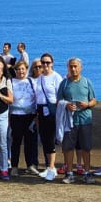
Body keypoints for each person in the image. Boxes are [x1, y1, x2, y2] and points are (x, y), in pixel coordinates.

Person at [58, 58, 98, 183]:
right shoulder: (64, 83)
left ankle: (86, 172)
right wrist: (67, 105)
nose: (73, 69)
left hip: (85, 120)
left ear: (81, 67)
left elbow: (94, 100)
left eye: (75, 66)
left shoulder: (87, 82)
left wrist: (87, 104)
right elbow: (58, 100)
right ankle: (69, 173)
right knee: (68, 148)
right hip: (69, 122)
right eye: (71, 66)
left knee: (86, 148)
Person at [33, 52, 62, 180]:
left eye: (47, 63)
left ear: (52, 63)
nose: (45, 65)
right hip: (40, 110)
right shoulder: (39, 78)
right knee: (44, 139)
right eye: (42, 63)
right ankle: (49, 167)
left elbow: (60, 95)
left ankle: (51, 167)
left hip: (51, 110)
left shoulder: (56, 77)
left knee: (50, 139)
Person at [8, 58, 39, 172]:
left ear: (26, 69)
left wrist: (36, 115)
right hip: (16, 115)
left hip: (30, 116)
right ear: (15, 70)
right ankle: (14, 166)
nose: (21, 71)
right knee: (16, 142)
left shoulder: (31, 82)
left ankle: (30, 165)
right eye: (19, 69)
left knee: (29, 142)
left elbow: (36, 98)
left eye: (23, 69)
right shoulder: (11, 82)